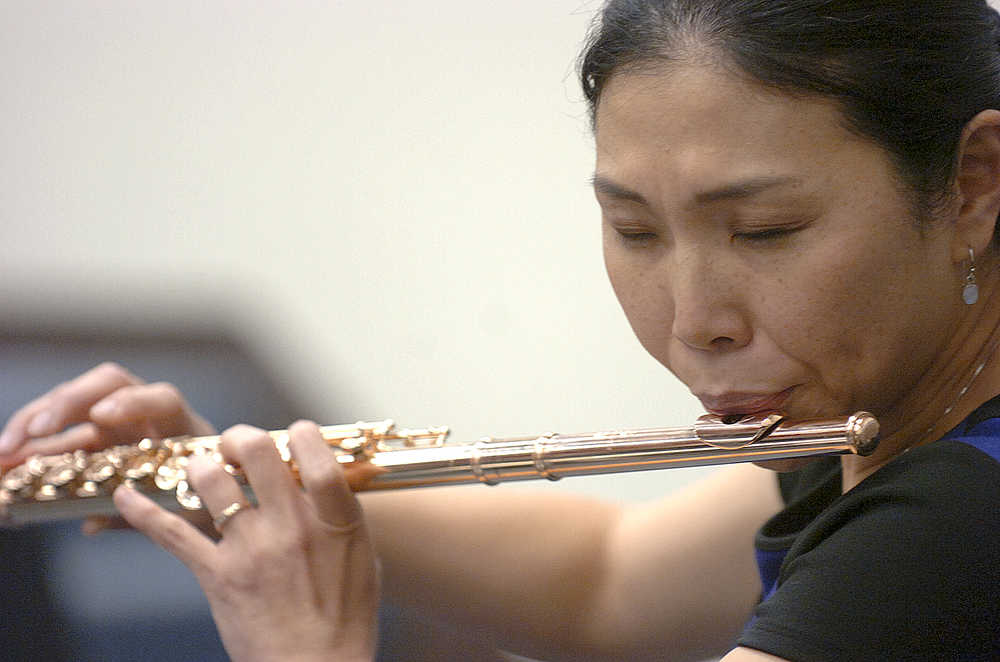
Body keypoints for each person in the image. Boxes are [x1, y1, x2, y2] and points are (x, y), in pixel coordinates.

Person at [3, 1, 1000, 660]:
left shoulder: (955, 518)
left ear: (970, 184)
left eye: (765, 230)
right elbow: (602, 582)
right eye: (634, 229)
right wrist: (242, 476)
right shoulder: (886, 414)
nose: (694, 320)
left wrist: (304, 641)